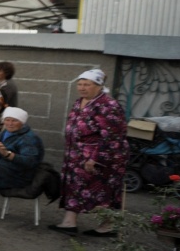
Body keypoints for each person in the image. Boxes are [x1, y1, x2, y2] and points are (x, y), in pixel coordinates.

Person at [49, 69, 129, 236]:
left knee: (101, 191)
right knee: (74, 187)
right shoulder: (80, 102)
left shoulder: (108, 105)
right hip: (76, 155)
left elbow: (113, 136)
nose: (82, 88)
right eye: (80, 84)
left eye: (87, 84)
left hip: (101, 158)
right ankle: (69, 222)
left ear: (99, 86)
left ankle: (107, 226)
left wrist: (95, 158)